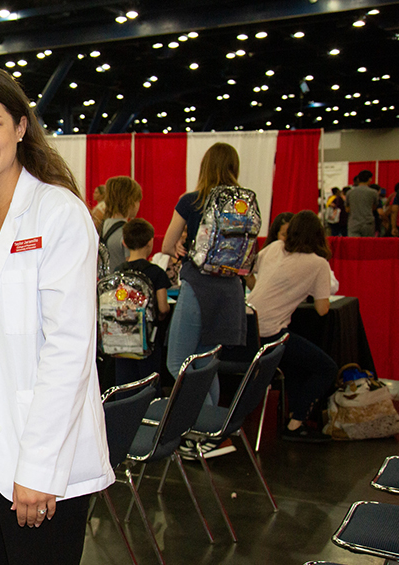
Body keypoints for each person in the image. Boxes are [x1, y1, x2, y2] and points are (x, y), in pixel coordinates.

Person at [0, 64, 113, 565]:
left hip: (37, 455)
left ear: (20, 127)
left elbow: (70, 348)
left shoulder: (58, 212)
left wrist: (38, 467)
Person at [161, 142, 251, 408]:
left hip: (199, 288)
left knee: (178, 361)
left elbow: (167, 245)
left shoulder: (192, 201)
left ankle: (203, 423)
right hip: (231, 290)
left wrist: (180, 247)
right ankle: (211, 429)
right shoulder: (244, 205)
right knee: (204, 362)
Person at [245, 211, 334, 442]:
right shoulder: (318, 263)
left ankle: (295, 415)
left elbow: (249, 272)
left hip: (246, 326)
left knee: (294, 363)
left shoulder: (275, 247)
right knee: (327, 368)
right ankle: (296, 422)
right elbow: (322, 309)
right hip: (271, 334)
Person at [113, 218, 171, 388]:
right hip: (147, 342)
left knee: (123, 385)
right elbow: (163, 307)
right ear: (150, 242)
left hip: (121, 341)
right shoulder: (156, 272)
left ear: (124, 243)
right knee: (148, 385)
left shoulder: (118, 271)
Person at [99, 175, 142, 268]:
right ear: (131, 201)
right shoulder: (128, 231)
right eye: (138, 200)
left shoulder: (101, 226)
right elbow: (131, 264)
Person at [345, 170, 377, 237]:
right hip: (368, 223)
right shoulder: (373, 192)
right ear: (370, 179)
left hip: (353, 223)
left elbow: (347, 209)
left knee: (353, 245)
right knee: (367, 245)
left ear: (358, 179)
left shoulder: (349, 193)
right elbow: (374, 207)